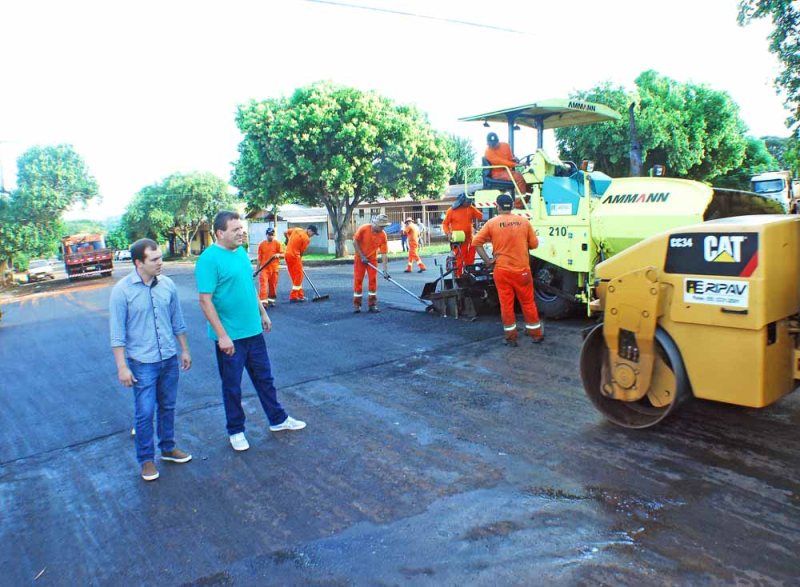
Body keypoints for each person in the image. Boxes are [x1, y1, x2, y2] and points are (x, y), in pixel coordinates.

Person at [197, 211, 305, 452]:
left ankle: (277, 419)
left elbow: (249, 286)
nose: (241, 233)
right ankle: (236, 430)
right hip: (230, 337)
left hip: (252, 331)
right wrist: (222, 336)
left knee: (265, 379)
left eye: (241, 228)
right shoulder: (208, 259)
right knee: (232, 386)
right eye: (235, 229)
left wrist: (263, 313)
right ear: (220, 233)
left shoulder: (241, 254)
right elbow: (205, 301)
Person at [109, 238, 193, 481]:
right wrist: (122, 367)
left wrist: (184, 350)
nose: (160, 263)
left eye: (160, 258)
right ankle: (146, 460)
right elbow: (117, 333)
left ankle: (168, 448)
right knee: (145, 412)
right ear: (139, 263)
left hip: (168, 358)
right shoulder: (122, 291)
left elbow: (177, 321)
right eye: (154, 259)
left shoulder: (168, 285)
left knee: (168, 406)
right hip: (142, 363)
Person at [472, 194, 543, 347]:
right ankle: (536, 335)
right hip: (523, 271)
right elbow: (534, 245)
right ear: (512, 206)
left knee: (506, 304)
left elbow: (476, 242)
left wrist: (488, 261)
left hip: (502, 271)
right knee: (528, 302)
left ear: (498, 206)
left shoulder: (492, 223)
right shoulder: (524, 221)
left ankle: (511, 338)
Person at [352, 214, 391, 313]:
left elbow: (384, 253)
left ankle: (372, 304)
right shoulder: (364, 229)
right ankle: (357, 305)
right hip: (360, 259)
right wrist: (362, 256)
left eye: (384, 226)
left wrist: (385, 270)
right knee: (358, 280)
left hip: (372, 259)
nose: (383, 228)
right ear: (375, 224)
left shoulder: (383, 235)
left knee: (373, 281)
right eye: (381, 226)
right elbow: (355, 242)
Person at [442, 193, 484, 277]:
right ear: (462, 201)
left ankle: (468, 274)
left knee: (471, 256)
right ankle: (459, 276)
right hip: (459, 240)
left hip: (470, 238)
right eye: (468, 202)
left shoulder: (471, 208)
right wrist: (448, 233)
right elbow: (445, 224)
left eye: (470, 201)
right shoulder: (451, 210)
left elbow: (481, 216)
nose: (470, 203)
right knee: (460, 259)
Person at [484, 132, 529, 197]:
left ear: (498, 141)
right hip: (497, 173)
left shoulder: (505, 145)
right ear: (488, 144)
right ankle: (518, 202)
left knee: (527, 178)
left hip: (507, 170)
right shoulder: (488, 152)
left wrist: (514, 159)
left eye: (495, 144)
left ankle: (525, 199)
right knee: (519, 178)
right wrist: (517, 165)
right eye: (491, 145)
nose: (493, 146)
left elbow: (510, 158)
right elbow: (501, 162)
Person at [284, 225, 319, 302]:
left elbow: (285, 232)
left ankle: (300, 295)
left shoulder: (297, 229)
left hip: (287, 255)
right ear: (309, 230)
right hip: (295, 256)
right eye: (313, 234)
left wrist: (287, 240)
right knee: (299, 276)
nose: (312, 236)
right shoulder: (306, 239)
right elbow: (301, 251)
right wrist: (300, 260)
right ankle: (293, 296)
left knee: (295, 276)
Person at [257, 227, 284, 307]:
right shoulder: (262, 245)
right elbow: (259, 258)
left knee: (273, 286)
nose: (271, 236)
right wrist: (257, 270)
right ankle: (263, 302)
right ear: (266, 235)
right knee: (263, 285)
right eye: (269, 235)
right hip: (264, 269)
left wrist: (279, 255)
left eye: (272, 235)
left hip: (274, 269)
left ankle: (271, 300)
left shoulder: (277, 244)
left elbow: (284, 255)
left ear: (274, 235)